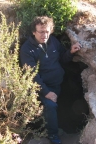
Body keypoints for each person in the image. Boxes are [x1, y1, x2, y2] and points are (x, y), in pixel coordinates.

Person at [20, 16, 81, 144]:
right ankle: (53, 136)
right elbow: (32, 75)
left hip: (58, 84)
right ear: (33, 32)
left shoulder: (53, 41)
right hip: (41, 87)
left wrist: (70, 52)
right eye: (41, 32)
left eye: (47, 31)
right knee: (51, 106)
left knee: (64, 103)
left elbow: (62, 59)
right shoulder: (27, 50)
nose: (45, 35)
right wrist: (46, 92)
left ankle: (65, 127)